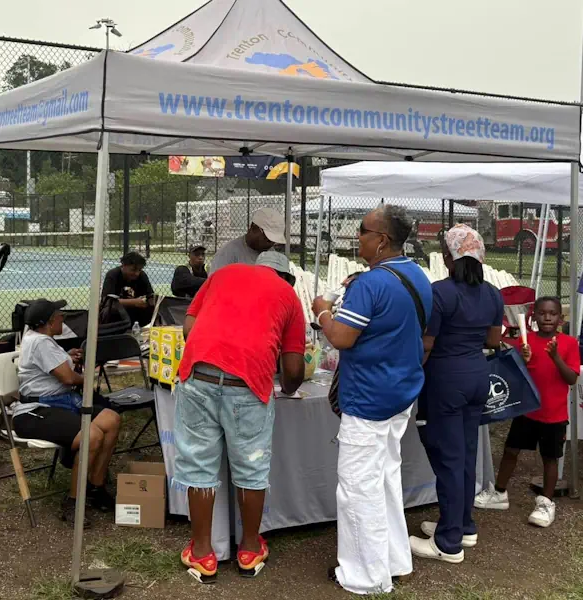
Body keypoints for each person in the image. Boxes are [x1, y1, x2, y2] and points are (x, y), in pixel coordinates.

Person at [312, 205, 432, 595]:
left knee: (358, 488)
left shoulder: (370, 285)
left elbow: (342, 338)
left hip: (368, 400)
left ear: (381, 240)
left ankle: (364, 575)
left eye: (363, 231)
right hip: (400, 395)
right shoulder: (416, 275)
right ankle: (394, 560)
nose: (355, 237)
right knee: (385, 480)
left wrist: (323, 313)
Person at [173, 250, 305, 582]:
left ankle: (202, 553)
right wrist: (287, 387)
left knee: (198, 464)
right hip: (247, 384)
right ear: (286, 278)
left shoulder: (223, 274)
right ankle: (249, 549)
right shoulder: (288, 295)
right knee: (251, 465)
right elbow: (293, 368)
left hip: (198, 375)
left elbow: (189, 327)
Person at [408, 224, 503, 564]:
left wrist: (407, 375)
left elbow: (427, 346)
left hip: (446, 380)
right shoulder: (493, 293)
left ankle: (448, 543)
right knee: (464, 454)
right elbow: (493, 341)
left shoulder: (440, 292)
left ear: (447, 258)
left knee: (448, 458)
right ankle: (463, 524)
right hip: (478, 376)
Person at [13, 299, 122, 525]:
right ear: (50, 322)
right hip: (35, 410)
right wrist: (87, 379)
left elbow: (55, 366)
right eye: (59, 314)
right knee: (92, 436)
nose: (64, 316)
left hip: (58, 403)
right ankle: (73, 501)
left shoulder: (43, 340)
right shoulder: (41, 343)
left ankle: (95, 486)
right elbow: (68, 378)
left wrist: (66, 357)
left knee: (111, 420)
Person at [476, 296, 579, 528]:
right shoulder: (526, 341)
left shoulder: (569, 343)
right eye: (542, 313)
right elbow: (510, 366)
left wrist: (555, 357)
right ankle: (500, 493)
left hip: (554, 415)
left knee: (550, 458)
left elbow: (571, 378)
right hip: (527, 411)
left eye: (552, 313)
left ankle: (545, 502)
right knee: (511, 450)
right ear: (534, 317)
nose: (547, 317)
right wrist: (521, 359)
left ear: (560, 319)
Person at [209, 207, 285, 272]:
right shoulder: (227, 254)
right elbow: (216, 285)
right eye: (267, 238)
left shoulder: (270, 253)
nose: (270, 244)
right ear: (253, 227)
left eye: (273, 241)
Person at [102, 251, 154, 326]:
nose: (137, 273)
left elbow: (150, 296)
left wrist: (148, 301)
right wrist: (135, 302)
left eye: (139, 270)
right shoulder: (113, 275)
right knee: (111, 310)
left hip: (136, 313)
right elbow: (107, 301)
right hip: (117, 313)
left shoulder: (142, 276)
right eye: (133, 270)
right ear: (123, 265)